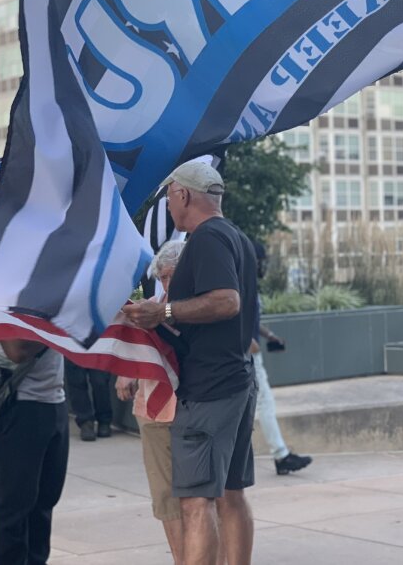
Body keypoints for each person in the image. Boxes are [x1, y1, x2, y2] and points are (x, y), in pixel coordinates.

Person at [123, 159, 257, 565]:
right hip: (236, 381)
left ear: (182, 194)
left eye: (168, 198)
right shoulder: (236, 236)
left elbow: (227, 301)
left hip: (209, 391)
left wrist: (163, 312)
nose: (167, 206)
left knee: (196, 502)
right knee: (231, 493)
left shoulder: (207, 238)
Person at [117, 241, 184, 565]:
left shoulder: (197, 310)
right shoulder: (151, 308)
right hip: (154, 411)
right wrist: (125, 373)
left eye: (172, 275)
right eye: (164, 277)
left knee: (202, 497)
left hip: (191, 410)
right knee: (165, 496)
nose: (167, 283)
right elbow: (134, 348)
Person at [0, 339, 68, 565]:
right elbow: (16, 351)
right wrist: (58, 329)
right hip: (18, 404)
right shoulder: (5, 308)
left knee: (45, 499)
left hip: (53, 398)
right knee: (14, 502)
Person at [250, 240, 312, 475]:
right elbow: (236, 316)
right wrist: (249, 343)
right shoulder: (243, 283)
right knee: (264, 403)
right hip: (249, 355)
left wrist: (269, 335)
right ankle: (281, 455)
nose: (263, 266)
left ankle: (280, 454)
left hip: (251, 351)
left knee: (257, 404)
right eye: (260, 261)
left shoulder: (247, 283)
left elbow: (251, 319)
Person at [64, 359, 113, 441]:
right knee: (77, 381)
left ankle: (104, 420)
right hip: (75, 351)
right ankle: (85, 422)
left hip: (98, 351)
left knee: (100, 381)